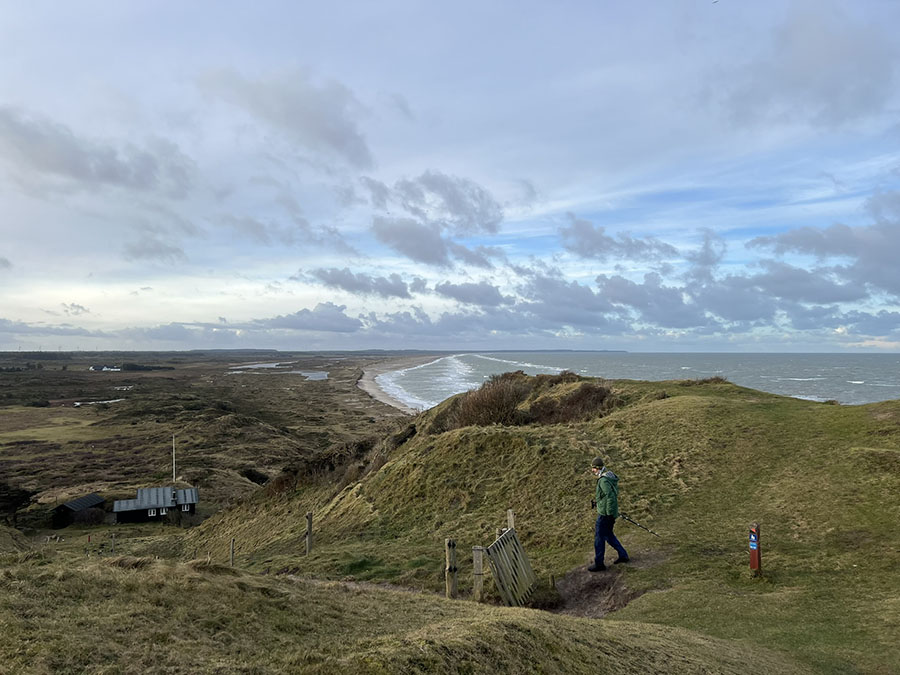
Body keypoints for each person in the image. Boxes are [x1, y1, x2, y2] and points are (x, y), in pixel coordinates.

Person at [589, 456, 629, 572]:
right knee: (608, 535)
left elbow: (610, 496)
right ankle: (623, 555)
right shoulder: (608, 476)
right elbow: (608, 496)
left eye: (593, 468)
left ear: (597, 468)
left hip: (605, 515)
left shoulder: (603, 481)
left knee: (599, 538)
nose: (592, 470)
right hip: (609, 513)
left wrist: (608, 512)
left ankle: (599, 563)